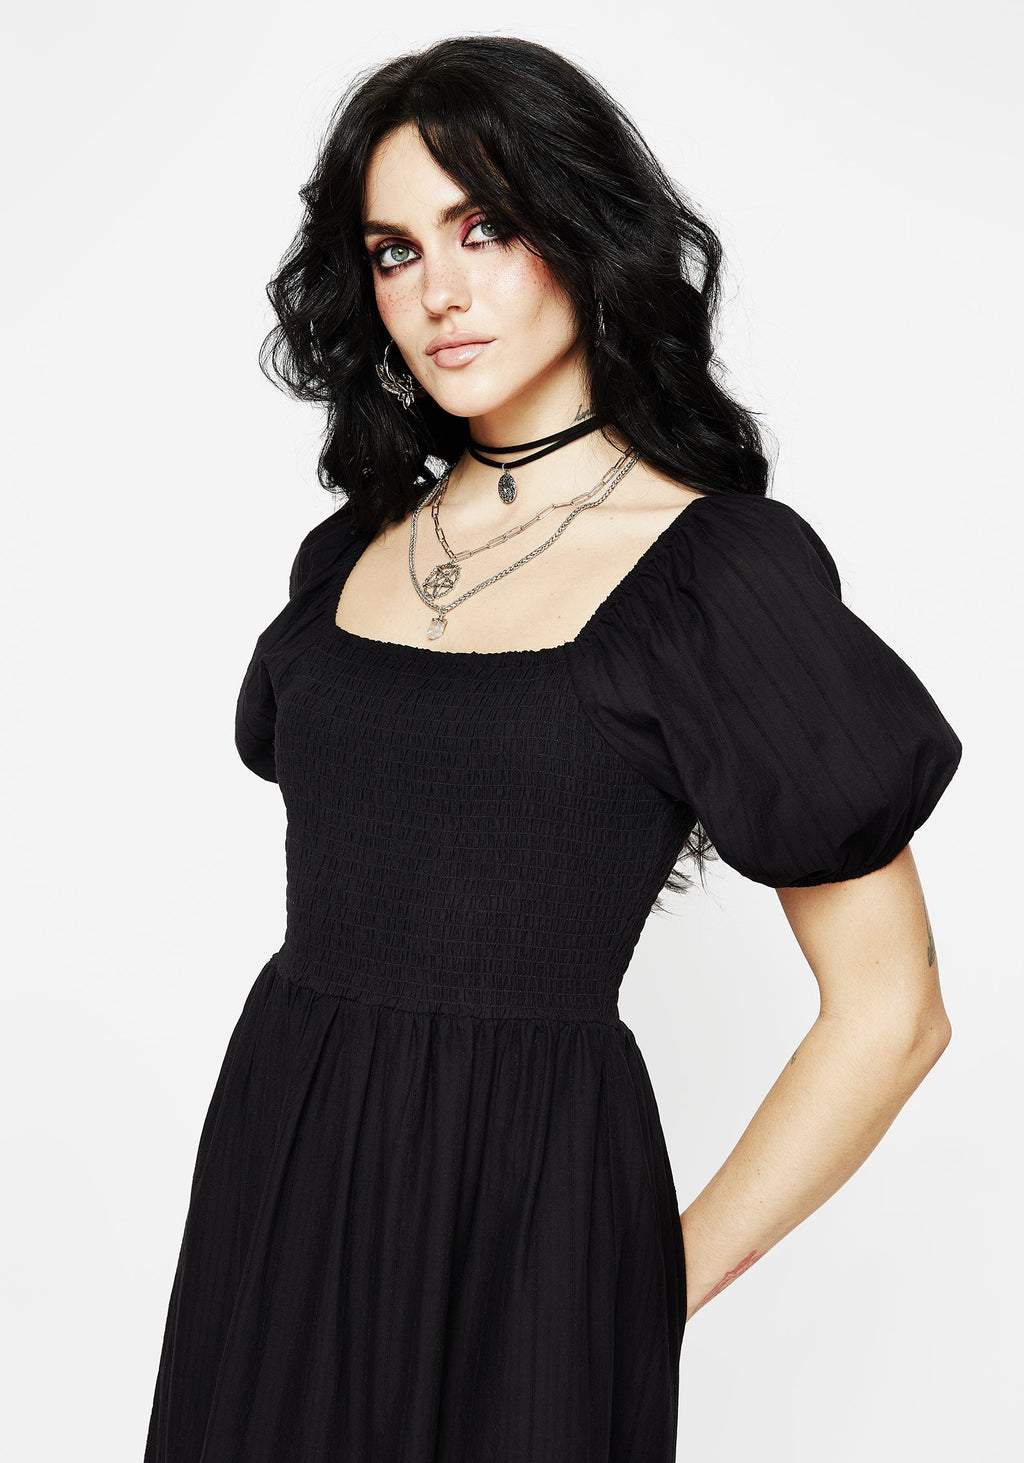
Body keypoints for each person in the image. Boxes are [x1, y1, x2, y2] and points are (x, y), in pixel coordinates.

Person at [143, 34, 963, 1463]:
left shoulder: (717, 576)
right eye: (395, 251)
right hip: (282, 1186)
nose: (439, 291)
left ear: (584, 232)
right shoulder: (351, 554)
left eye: (487, 227)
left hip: (531, 1223)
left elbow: (892, 1014)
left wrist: (640, 1291)